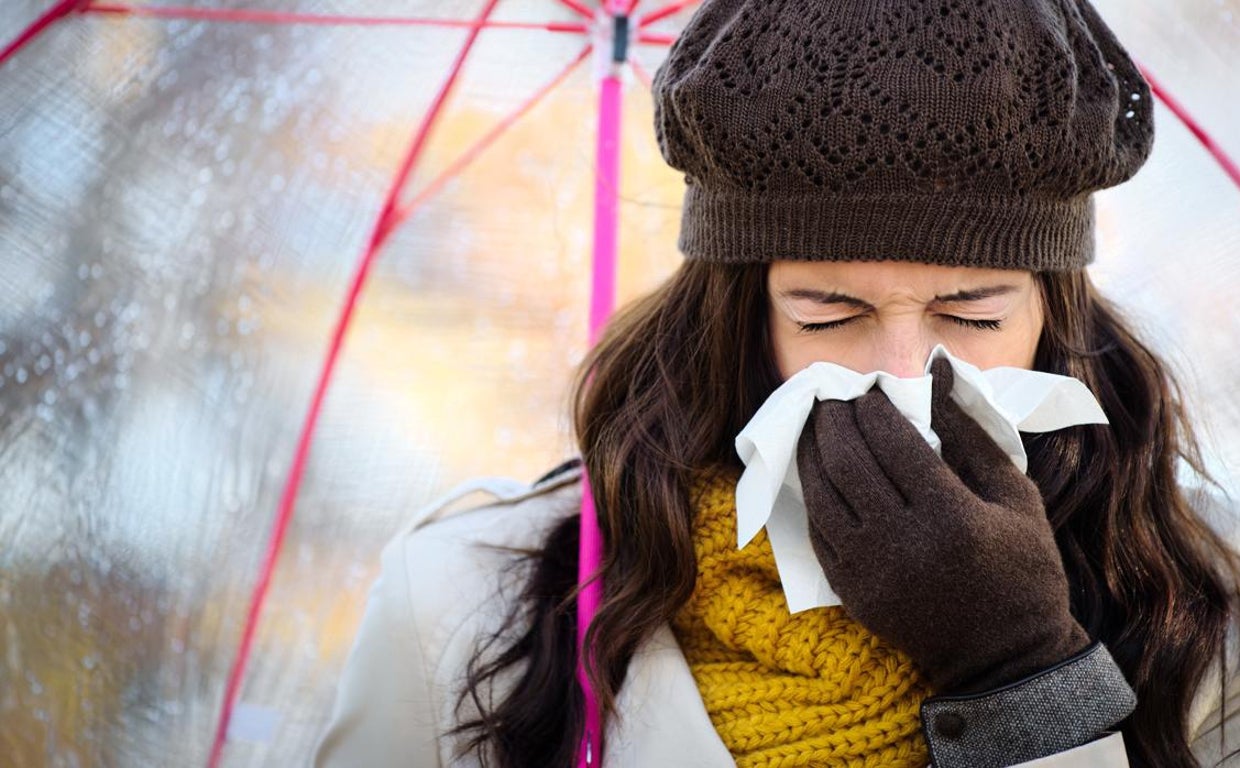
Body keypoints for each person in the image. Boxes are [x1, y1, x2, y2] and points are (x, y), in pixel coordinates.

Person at [314, 0, 1240, 766]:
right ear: (737, 321)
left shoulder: (1205, 614)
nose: (901, 376)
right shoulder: (459, 608)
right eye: (829, 316)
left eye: (974, 316)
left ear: (1055, 317)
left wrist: (1027, 675)